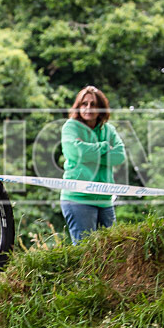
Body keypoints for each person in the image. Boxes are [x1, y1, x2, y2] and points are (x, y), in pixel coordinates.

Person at [60, 86, 126, 244]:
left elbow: (119, 156)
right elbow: (75, 153)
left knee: (113, 251)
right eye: (84, 104)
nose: (88, 108)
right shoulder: (70, 127)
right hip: (78, 198)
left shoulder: (108, 129)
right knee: (86, 253)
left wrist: (87, 153)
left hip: (104, 199)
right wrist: (104, 147)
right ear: (78, 106)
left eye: (93, 104)